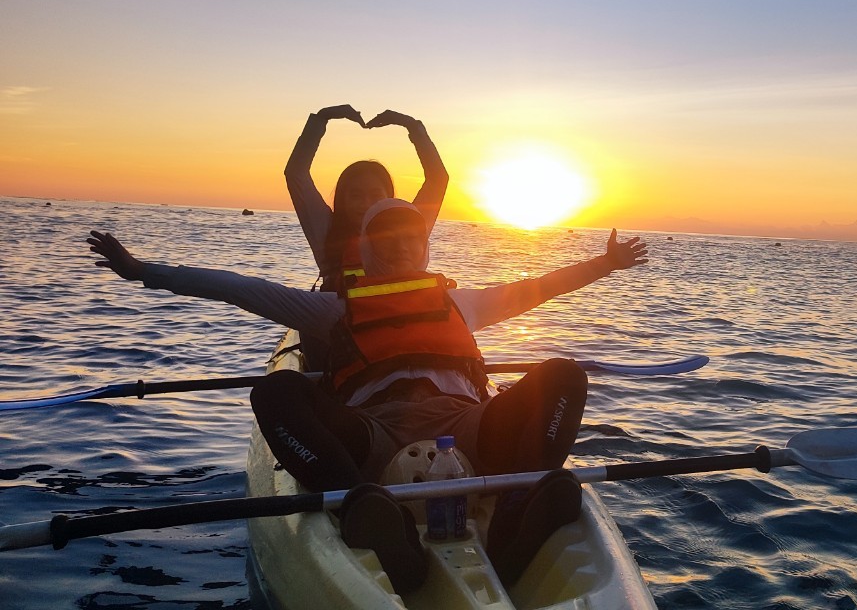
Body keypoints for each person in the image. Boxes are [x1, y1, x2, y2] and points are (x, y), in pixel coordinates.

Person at [87, 200, 648, 592]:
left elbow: (542, 286)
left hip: (469, 430)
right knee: (278, 391)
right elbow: (241, 289)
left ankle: (518, 510)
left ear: (426, 247)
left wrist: (608, 262)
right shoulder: (331, 307)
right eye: (389, 238)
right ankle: (364, 508)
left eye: (413, 238)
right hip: (376, 437)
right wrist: (144, 273)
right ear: (366, 247)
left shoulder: (463, 302)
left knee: (564, 376)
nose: (403, 247)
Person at [286, 105, 448, 291]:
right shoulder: (326, 232)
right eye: (356, 196)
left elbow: (438, 179)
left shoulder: (410, 226)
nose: (366, 204)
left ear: (388, 197)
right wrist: (321, 119)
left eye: (376, 195)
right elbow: (296, 174)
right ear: (343, 200)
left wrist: (412, 126)